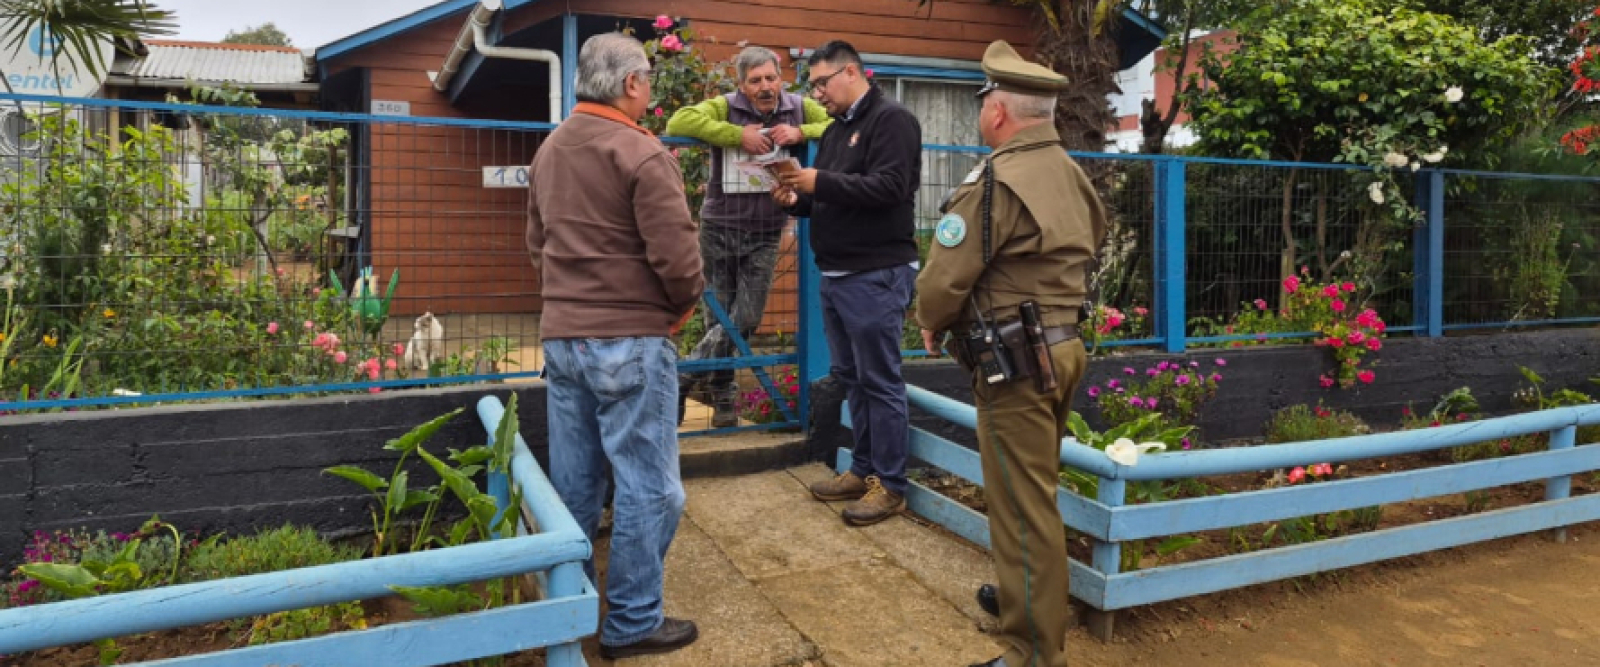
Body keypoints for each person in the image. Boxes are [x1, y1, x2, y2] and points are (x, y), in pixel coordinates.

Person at [913, 40, 1107, 667]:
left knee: (1023, 508)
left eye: (983, 103)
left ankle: (1032, 650)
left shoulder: (995, 180)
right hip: (1063, 347)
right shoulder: (1072, 174)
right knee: (1035, 491)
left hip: (1016, 362)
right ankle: (1024, 596)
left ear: (997, 111)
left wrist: (930, 320)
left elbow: (945, 277)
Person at [525, 32, 703, 660]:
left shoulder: (549, 151)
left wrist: (569, 303)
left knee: (574, 485)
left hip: (562, 340)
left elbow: (537, 245)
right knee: (651, 487)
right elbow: (678, 259)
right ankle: (631, 621)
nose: (648, 88)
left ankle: (569, 608)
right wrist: (679, 307)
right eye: (647, 78)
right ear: (631, 83)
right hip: (629, 338)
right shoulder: (642, 152)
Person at [772, 40, 921, 527]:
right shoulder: (837, 130)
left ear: (852, 72)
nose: (817, 93)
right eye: (812, 84)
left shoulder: (892, 120)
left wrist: (818, 183)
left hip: (875, 273)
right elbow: (832, 196)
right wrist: (796, 199)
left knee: (880, 380)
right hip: (837, 273)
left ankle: (891, 486)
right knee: (852, 378)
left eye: (822, 82)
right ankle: (862, 470)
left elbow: (891, 187)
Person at [665, 46, 833, 428]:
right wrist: (737, 136)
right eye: (755, 81)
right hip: (719, 226)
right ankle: (724, 401)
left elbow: (837, 125)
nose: (765, 87)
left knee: (747, 318)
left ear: (781, 79)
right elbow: (678, 121)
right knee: (718, 316)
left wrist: (800, 132)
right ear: (741, 85)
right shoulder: (725, 106)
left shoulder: (799, 107)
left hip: (767, 231)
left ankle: (683, 374)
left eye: (771, 78)